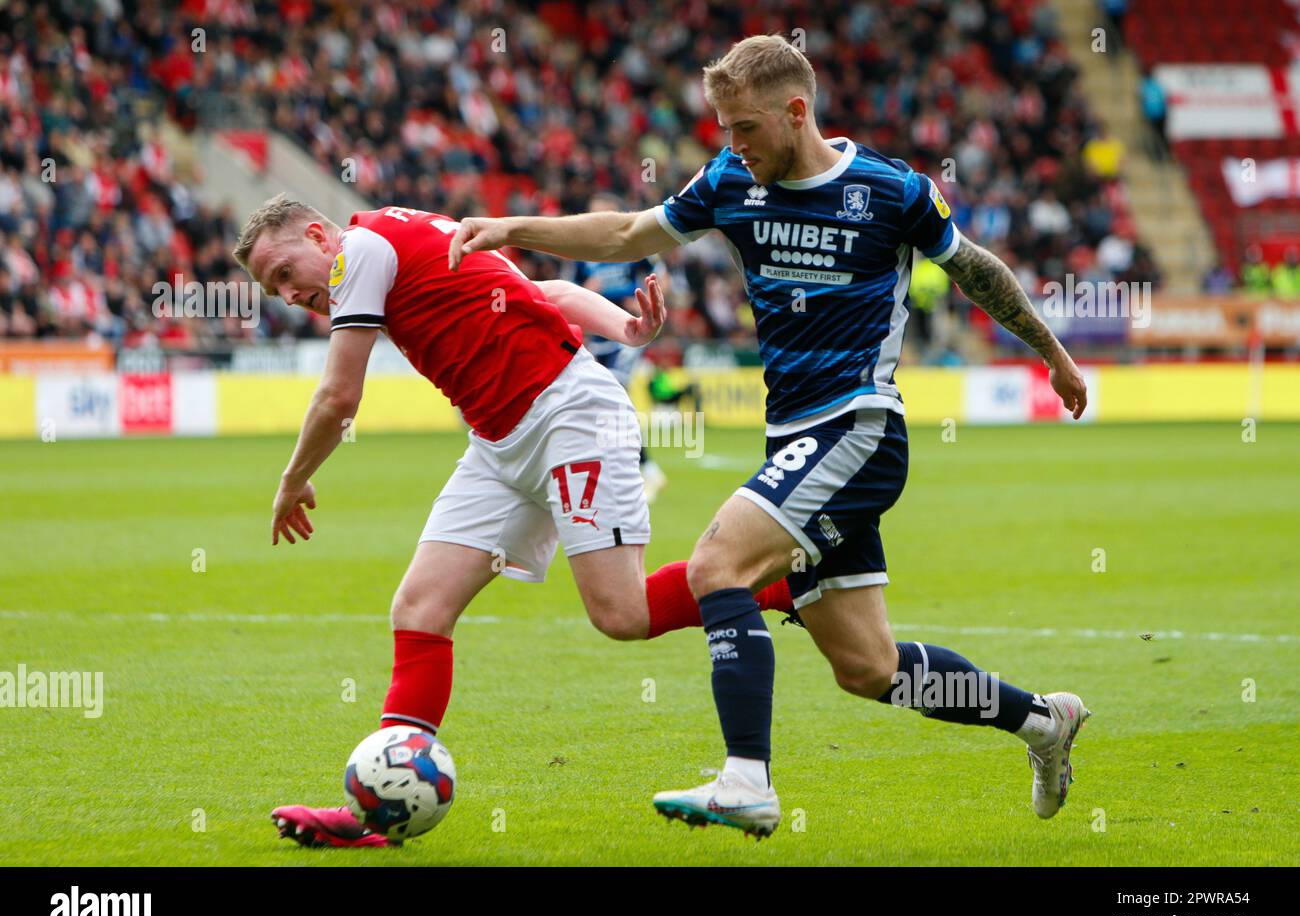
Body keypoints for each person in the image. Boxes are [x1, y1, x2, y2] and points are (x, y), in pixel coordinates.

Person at [450, 34, 1092, 838]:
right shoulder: (729, 182)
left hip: (856, 428)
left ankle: (746, 780)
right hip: (793, 437)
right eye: (721, 128)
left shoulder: (890, 190)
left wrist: (1054, 355)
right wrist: (513, 229)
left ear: (796, 113)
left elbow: (976, 271)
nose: (731, 144)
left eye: (744, 127)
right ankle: (1042, 722)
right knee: (869, 669)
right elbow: (626, 234)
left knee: (720, 563)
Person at [231, 195, 794, 846]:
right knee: (419, 608)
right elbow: (534, 290)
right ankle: (379, 817)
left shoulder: (358, 253)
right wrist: (624, 327)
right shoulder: (398, 233)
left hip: (569, 418)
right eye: (273, 289)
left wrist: (294, 478)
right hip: (499, 445)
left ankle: (783, 586)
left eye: (283, 273)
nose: (289, 294)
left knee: (622, 614)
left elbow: (339, 395)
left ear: (316, 235)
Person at [568, 193, 671, 502]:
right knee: (605, 401)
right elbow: (570, 293)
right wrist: (586, 292)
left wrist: (648, 302)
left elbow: (662, 277)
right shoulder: (581, 255)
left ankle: (645, 470)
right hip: (599, 338)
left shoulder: (630, 247)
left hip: (627, 333)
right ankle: (633, 468)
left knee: (612, 395)